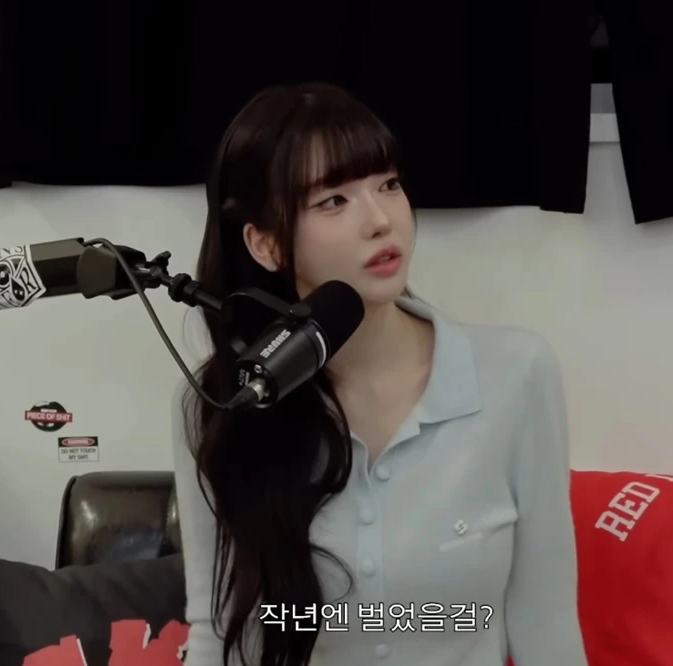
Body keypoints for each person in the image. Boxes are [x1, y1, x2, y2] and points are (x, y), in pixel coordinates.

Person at [172, 82, 584, 666]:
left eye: (388, 184)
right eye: (333, 201)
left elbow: (547, 626)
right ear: (266, 244)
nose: (381, 220)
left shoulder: (515, 375)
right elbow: (218, 633)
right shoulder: (224, 400)